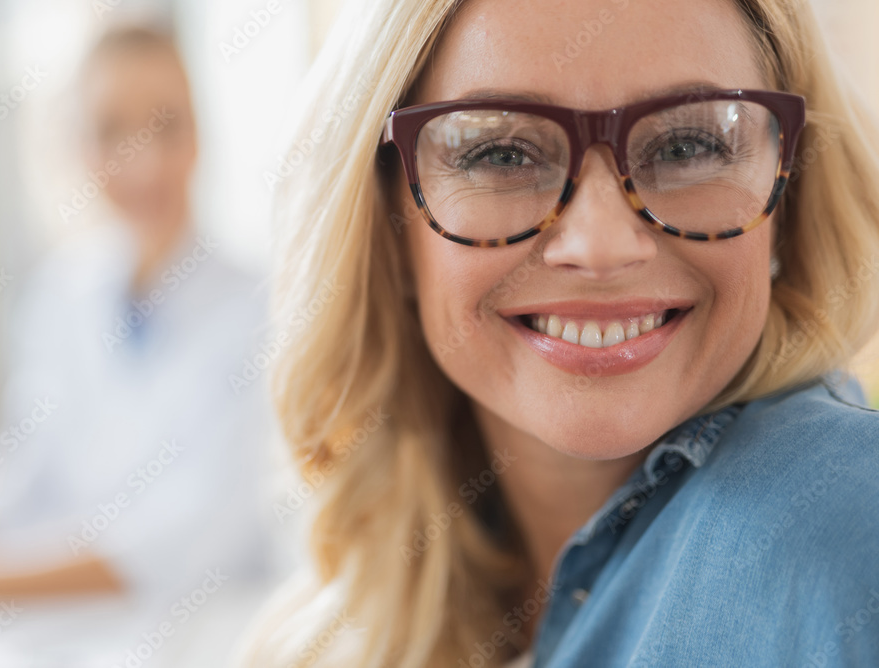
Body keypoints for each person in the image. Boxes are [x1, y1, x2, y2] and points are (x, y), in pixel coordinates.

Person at [238, 0, 879, 666]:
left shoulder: (852, 523)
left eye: (689, 145)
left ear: (790, 194)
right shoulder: (334, 633)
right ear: (388, 224)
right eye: (502, 153)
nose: (600, 247)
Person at [0, 25, 275, 605]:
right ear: (78, 148)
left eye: (166, 125)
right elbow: (20, 482)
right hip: (69, 628)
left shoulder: (260, 310)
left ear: (199, 138)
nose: (143, 164)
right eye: (111, 130)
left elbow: (191, 541)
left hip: (203, 628)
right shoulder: (61, 295)